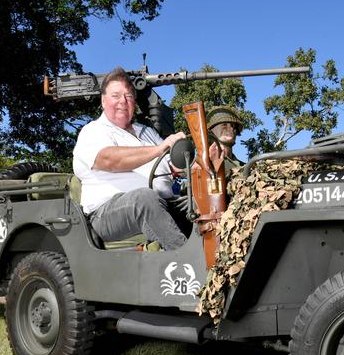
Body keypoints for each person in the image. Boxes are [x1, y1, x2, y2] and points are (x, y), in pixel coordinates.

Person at [73, 67, 187, 251]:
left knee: (198, 201)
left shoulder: (146, 132)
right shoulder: (93, 131)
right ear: (103, 100)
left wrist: (198, 159)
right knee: (144, 198)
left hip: (163, 202)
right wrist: (160, 148)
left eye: (128, 96)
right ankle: (188, 265)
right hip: (106, 213)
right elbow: (109, 160)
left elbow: (173, 164)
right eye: (116, 96)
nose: (123, 102)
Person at [206, 105, 245, 173]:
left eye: (233, 126)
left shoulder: (244, 167)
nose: (231, 129)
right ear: (211, 131)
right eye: (224, 125)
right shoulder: (203, 164)